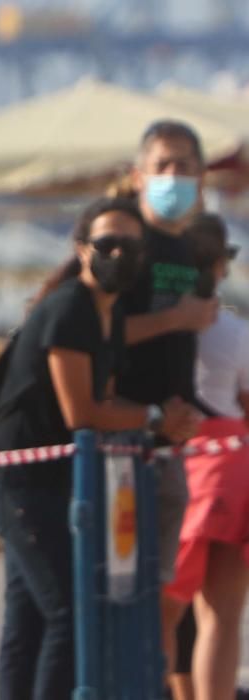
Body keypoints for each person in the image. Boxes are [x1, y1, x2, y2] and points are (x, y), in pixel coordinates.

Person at [0, 197, 198, 700]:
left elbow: (104, 399)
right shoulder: (73, 306)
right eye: (107, 244)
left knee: (30, 615)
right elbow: (83, 413)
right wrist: (158, 419)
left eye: (131, 245)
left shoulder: (107, 313)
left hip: (47, 480)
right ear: (81, 249)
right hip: (20, 480)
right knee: (67, 611)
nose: (119, 254)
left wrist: (162, 420)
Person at [114, 120, 220, 692]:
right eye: (163, 167)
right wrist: (178, 318)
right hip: (122, 444)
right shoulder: (127, 244)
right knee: (127, 597)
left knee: (162, 595)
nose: (173, 177)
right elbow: (96, 336)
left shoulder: (186, 249)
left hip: (171, 446)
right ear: (138, 176)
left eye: (184, 166)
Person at [163, 213, 249, 700]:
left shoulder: (152, 326)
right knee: (221, 616)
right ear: (221, 266)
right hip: (230, 468)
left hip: (175, 461)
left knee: (164, 609)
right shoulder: (234, 332)